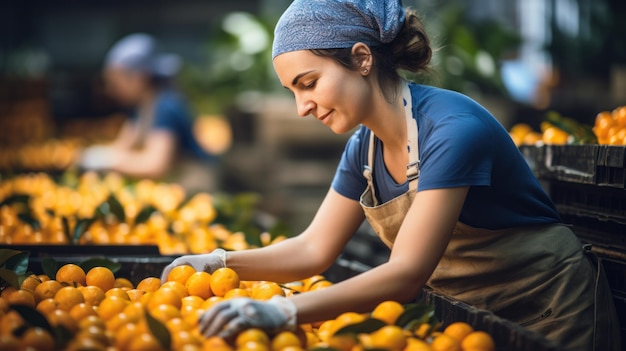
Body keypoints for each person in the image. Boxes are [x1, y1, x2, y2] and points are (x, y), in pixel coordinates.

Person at [160, 1, 621, 350]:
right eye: (292, 92)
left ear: (362, 59)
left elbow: (404, 275)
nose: (302, 107)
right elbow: (312, 249)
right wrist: (219, 263)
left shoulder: (452, 130)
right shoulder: (364, 148)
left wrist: (282, 311)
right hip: (473, 323)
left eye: (309, 83)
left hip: (551, 315)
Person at [79, 33, 221, 192]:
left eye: (116, 81)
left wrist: (108, 161)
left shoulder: (166, 106)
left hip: (195, 187)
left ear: (140, 77)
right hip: (174, 186)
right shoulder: (140, 108)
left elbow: (155, 165)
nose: (112, 89)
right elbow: (123, 146)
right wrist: (102, 155)